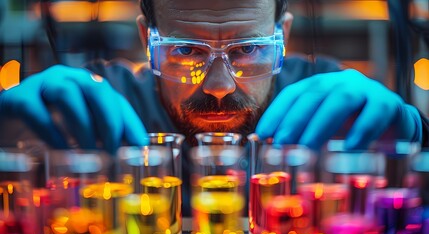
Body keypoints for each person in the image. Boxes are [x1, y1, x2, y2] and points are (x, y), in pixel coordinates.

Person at [0, 0, 427, 216]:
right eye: (185, 50)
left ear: (284, 35)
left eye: (248, 49)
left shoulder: (334, 106)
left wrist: (415, 139)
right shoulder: (91, 107)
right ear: (148, 40)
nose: (220, 87)